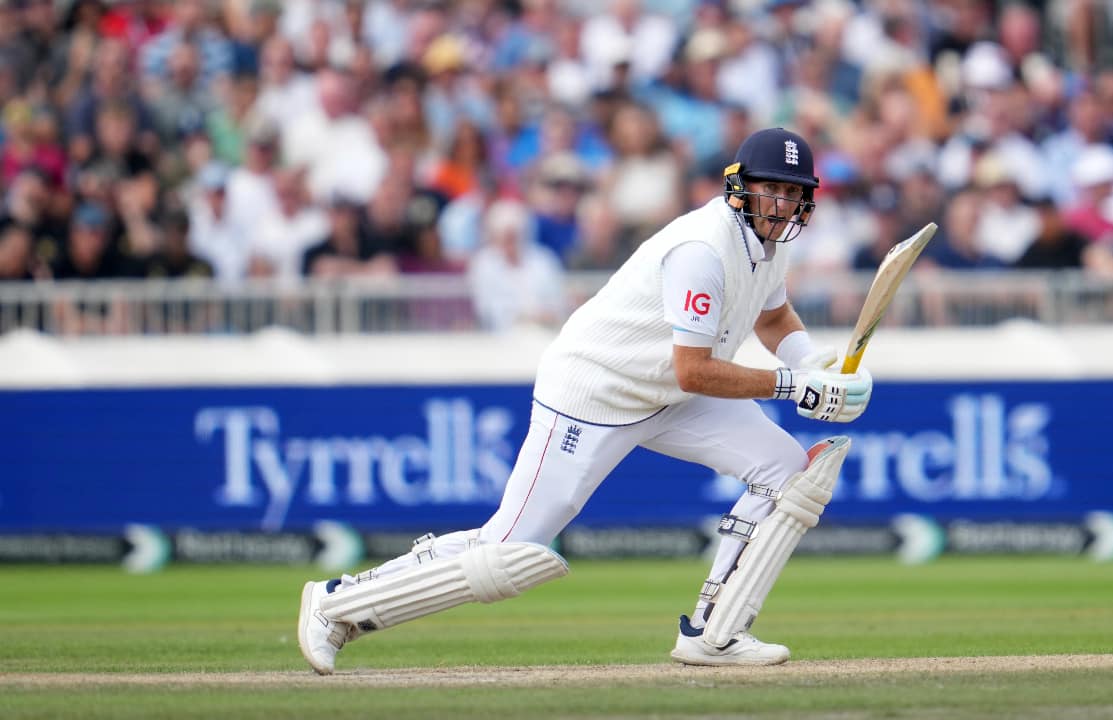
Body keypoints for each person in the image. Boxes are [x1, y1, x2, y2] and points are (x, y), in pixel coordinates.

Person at [297, 127, 875, 673]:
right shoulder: (703, 248)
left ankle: (714, 634)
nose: (779, 203)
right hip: (594, 392)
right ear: (739, 186)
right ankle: (335, 604)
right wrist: (793, 386)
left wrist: (807, 363)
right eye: (769, 188)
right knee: (508, 552)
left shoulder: (770, 247)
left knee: (785, 471)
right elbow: (695, 369)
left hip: (666, 392)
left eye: (791, 192)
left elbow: (772, 315)